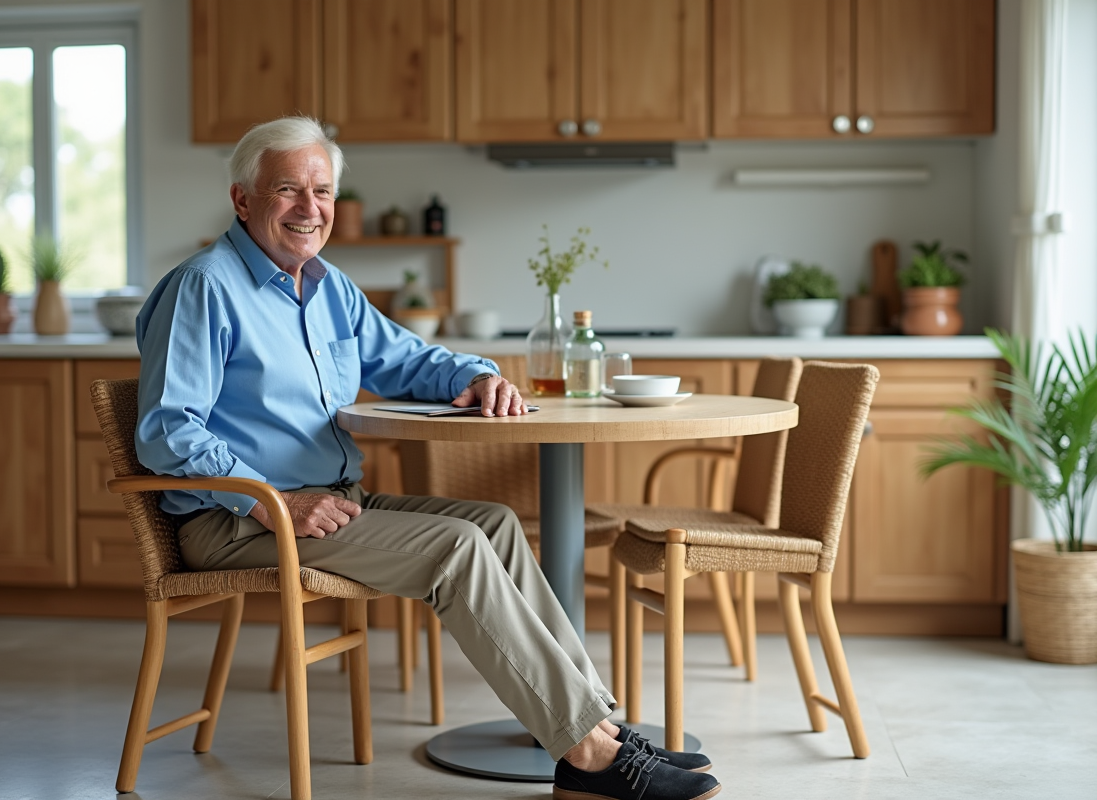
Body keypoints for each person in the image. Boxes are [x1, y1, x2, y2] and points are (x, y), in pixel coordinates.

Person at [134, 116, 721, 800]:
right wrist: (278, 502)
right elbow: (167, 429)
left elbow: (406, 358)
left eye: (321, 191)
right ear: (243, 199)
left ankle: (596, 730)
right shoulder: (205, 286)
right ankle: (590, 754)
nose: (309, 207)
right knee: (457, 549)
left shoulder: (327, 288)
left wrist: (476, 376)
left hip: (331, 502)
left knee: (494, 524)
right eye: (288, 189)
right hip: (240, 520)